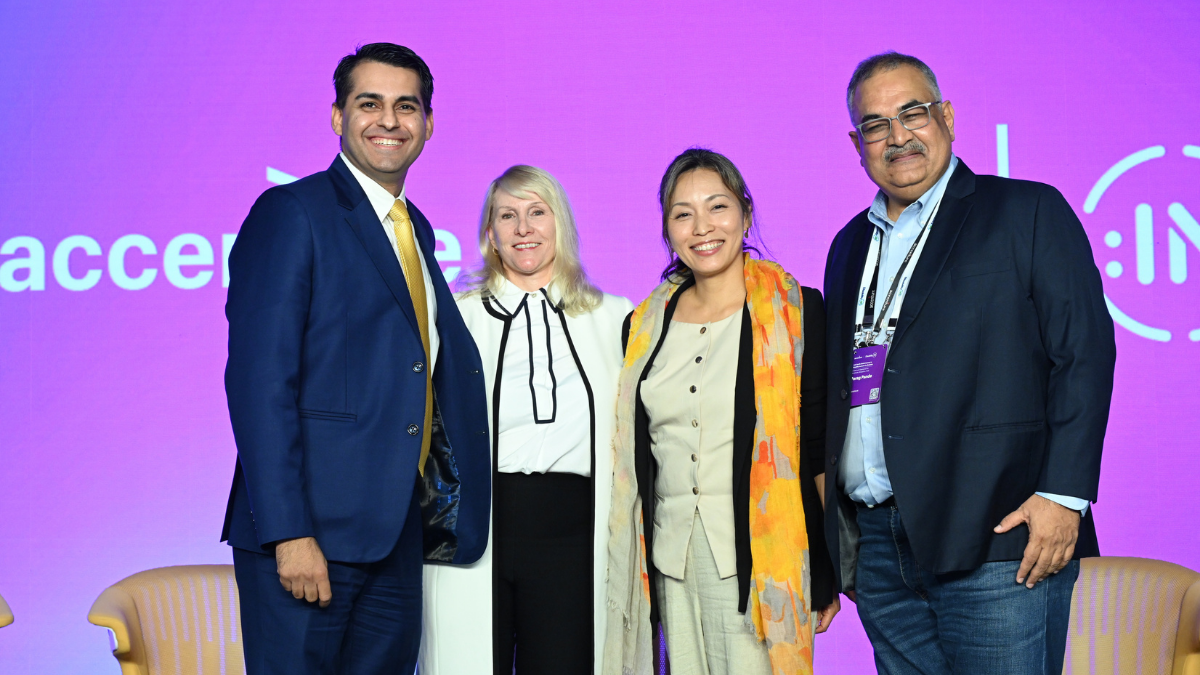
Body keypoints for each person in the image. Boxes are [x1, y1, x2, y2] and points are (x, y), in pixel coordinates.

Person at [822, 52, 1116, 674]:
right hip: (880, 548)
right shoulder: (849, 244)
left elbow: (1083, 354)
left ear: (947, 117)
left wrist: (1064, 497)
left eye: (913, 113)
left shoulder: (1025, 212)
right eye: (876, 125)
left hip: (999, 538)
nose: (897, 136)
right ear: (857, 142)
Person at [221, 43, 491, 674]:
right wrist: (288, 533)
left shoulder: (414, 228)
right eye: (369, 104)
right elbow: (261, 384)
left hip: (394, 536)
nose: (389, 121)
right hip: (309, 536)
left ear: (428, 124)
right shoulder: (292, 212)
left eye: (407, 106)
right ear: (338, 116)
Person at [605, 148, 839, 675]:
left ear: (745, 214)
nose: (702, 227)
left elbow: (815, 448)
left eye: (717, 207)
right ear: (667, 230)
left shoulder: (797, 312)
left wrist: (827, 569)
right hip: (670, 562)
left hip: (759, 564)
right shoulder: (643, 326)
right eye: (682, 213)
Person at [421, 165, 632, 675]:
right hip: (476, 530)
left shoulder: (615, 317)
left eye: (538, 212)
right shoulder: (456, 318)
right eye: (507, 216)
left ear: (561, 224)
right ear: (489, 233)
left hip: (574, 538)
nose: (523, 229)